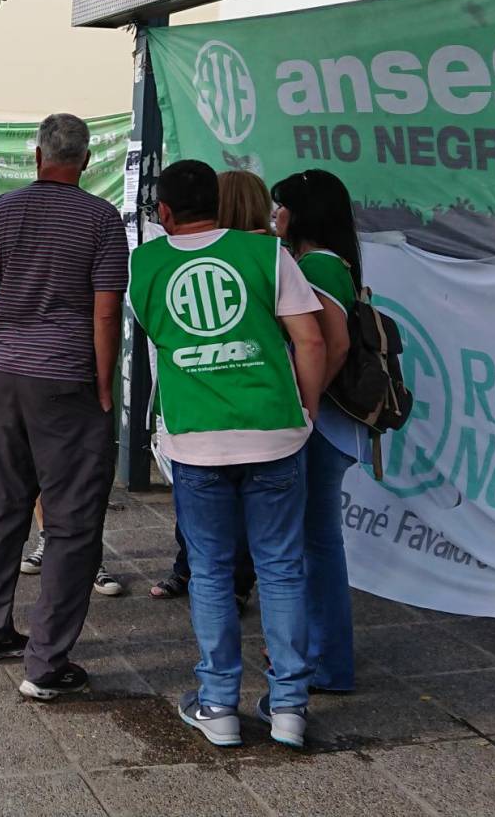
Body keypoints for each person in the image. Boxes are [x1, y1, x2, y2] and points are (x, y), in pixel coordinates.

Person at [129, 159, 326, 750]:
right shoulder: (267, 254)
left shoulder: (146, 264)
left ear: (164, 211)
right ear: (218, 203)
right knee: (282, 568)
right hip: (275, 431)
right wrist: (307, 411)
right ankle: (289, 707)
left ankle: (217, 705)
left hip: (196, 438)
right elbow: (310, 339)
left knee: (211, 571)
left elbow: (158, 335)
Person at [0, 113, 126, 701]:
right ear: (86, 160)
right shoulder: (101, 219)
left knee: (5, 501)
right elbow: (106, 311)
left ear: (36, 157)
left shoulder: (1, 210)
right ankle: (47, 663)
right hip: (70, 378)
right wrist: (104, 385)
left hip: (10, 375)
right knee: (73, 520)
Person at [150, 168, 268, 606]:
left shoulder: (264, 256)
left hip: (229, 412)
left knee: (226, 515)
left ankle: (225, 582)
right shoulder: (186, 256)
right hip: (210, 410)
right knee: (204, 509)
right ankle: (197, 571)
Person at [271, 168, 364, 696]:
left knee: (316, 545)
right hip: (326, 425)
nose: (276, 216)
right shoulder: (327, 262)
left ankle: (325, 661)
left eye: (281, 206)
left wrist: (304, 411)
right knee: (315, 543)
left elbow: (334, 345)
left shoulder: (318, 266)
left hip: (321, 427)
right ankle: (320, 653)